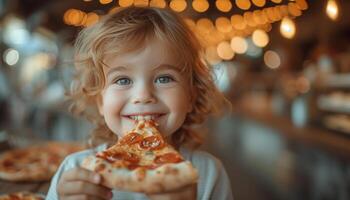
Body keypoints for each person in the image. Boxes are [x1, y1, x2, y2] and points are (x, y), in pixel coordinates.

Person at [46, 6, 233, 200]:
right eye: (123, 80)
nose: (143, 95)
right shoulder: (76, 172)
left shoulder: (209, 174)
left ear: (191, 96)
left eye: (164, 78)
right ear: (101, 101)